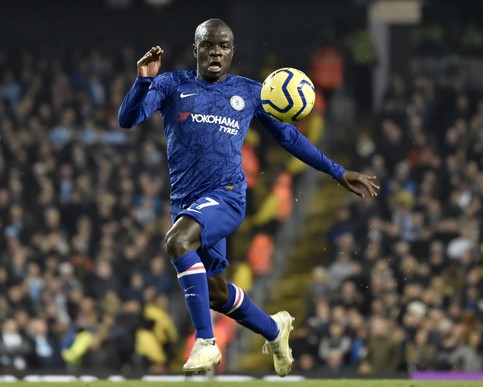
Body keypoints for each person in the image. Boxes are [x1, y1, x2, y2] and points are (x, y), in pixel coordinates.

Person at [118, 18, 379, 376]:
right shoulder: (171, 84)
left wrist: (338, 171)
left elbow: (289, 138)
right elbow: (127, 119)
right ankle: (274, 330)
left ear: (232, 51)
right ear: (196, 49)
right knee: (216, 294)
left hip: (226, 197)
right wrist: (143, 79)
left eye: (223, 46)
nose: (215, 52)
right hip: (186, 202)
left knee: (178, 242)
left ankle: (205, 343)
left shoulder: (252, 92)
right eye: (208, 45)